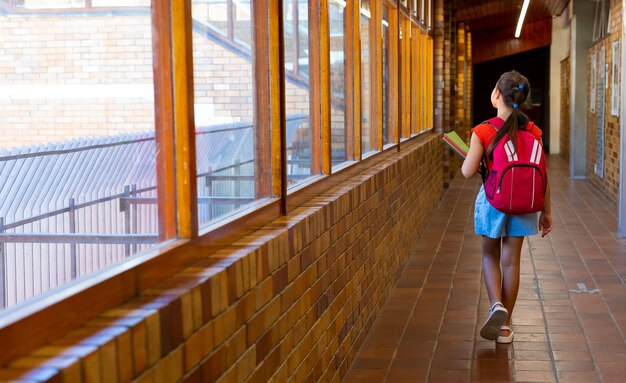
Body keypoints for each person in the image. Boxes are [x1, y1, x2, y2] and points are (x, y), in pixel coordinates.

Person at [461, 70, 553, 344]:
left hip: (492, 203)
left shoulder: (483, 131)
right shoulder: (534, 131)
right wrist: (547, 212)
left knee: (491, 257)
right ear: (522, 99)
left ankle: (496, 306)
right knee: (512, 262)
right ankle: (505, 326)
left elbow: (467, 172)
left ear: (497, 95)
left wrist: (470, 155)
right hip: (525, 204)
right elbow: (544, 176)